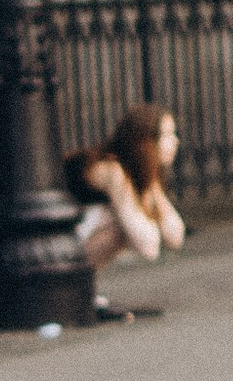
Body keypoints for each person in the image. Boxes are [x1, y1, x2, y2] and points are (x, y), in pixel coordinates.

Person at [66, 105, 186, 318]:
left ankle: (78, 289)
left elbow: (175, 236)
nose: (175, 141)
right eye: (167, 135)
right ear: (145, 142)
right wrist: (151, 192)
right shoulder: (112, 170)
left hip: (73, 240)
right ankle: (72, 287)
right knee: (119, 223)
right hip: (60, 246)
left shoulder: (139, 173)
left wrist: (153, 188)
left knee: (123, 221)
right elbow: (148, 246)